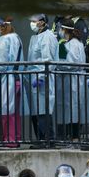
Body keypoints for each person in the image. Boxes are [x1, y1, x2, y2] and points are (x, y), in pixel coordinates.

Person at [0, 16, 24, 147]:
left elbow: (0, 65)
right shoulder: (16, 37)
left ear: (1, 27)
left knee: (6, 111)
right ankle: (16, 138)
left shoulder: (2, 41)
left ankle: (9, 140)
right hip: (18, 78)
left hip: (7, 80)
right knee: (15, 112)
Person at [54, 18, 89, 145]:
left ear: (65, 29)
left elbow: (73, 62)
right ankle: (67, 137)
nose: (59, 30)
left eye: (60, 28)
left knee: (74, 109)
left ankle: (75, 137)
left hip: (74, 80)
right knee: (67, 109)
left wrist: (60, 65)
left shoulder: (75, 44)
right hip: (66, 80)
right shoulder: (64, 43)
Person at [25, 14, 58, 143]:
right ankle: (40, 140)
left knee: (43, 111)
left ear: (42, 22)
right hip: (34, 78)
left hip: (42, 79)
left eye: (34, 21)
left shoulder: (48, 37)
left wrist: (41, 77)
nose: (32, 23)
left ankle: (48, 140)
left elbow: (47, 59)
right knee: (36, 112)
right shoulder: (36, 37)